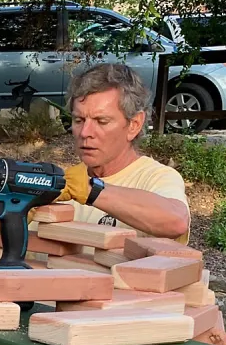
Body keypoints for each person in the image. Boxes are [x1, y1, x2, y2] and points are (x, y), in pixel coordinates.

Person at [58, 62, 191, 241]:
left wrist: (91, 191)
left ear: (134, 125)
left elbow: (176, 221)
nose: (85, 133)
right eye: (79, 120)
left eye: (102, 121)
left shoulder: (156, 178)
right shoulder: (67, 183)